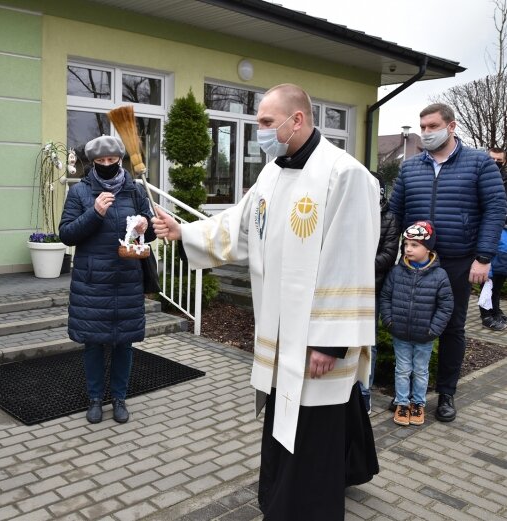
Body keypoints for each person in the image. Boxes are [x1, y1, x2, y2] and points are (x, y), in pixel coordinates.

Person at [152, 84, 380, 520]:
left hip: (316, 341)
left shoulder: (344, 175)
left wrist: (330, 343)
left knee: (315, 430)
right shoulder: (272, 173)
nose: (259, 132)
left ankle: (308, 509)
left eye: (265, 123)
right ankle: (277, 500)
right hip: (280, 338)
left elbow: (350, 261)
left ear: (297, 120)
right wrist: (185, 233)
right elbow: (239, 227)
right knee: (283, 421)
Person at [389, 103, 506, 423]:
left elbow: (495, 210)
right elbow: (394, 214)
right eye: (422, 126)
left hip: (457, 260)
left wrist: (483, 257)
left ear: (451, 126)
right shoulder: (410, 168)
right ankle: (407, 395)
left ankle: (446, 394)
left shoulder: (480, 163)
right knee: (410, 324)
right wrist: (389, 253)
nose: (425, 132)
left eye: (432, 126)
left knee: (452, 327)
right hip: (415, 262)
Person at [59, 135, 156, 425]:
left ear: (119, 160)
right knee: (93, 343)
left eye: (111, 161)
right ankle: (94, 399)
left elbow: (150, 232)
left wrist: (145, 225)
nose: (106, 165)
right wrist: (96, 212)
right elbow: (66, 233)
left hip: (127, 279)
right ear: (92, 163)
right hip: (93, 281)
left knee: (124, 343)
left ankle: (119, 398)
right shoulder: (80, 192)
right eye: (100, 162)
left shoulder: (134, 190)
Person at [380, 221, 453, 427]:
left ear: (428, 248)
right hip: (400, 332)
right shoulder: (396, 272)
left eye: (414, 245)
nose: (408, 249)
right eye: (406, 245)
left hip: (425, 335)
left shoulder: (440, 276)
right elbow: (385, 296)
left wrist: (434, 329)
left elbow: (445, 306)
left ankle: (417, 404)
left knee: (420, 371)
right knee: (402, 369)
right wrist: (389, 320)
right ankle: (402, 403)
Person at [360, 173, 400, 414]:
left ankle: (365, 391)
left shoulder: (389, 218)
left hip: (373, 287)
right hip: (347, 287)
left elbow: (388, 253)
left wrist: (360, 266)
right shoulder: (352, 213)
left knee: (368, 342)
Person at [478, 217, 507, 330]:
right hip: (491, 269)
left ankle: (495, 312)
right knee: (486, 293)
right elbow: (487, 250)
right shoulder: (495, 231)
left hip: (502, 270)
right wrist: (488, 271)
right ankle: (486, 317)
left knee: (496, 292)